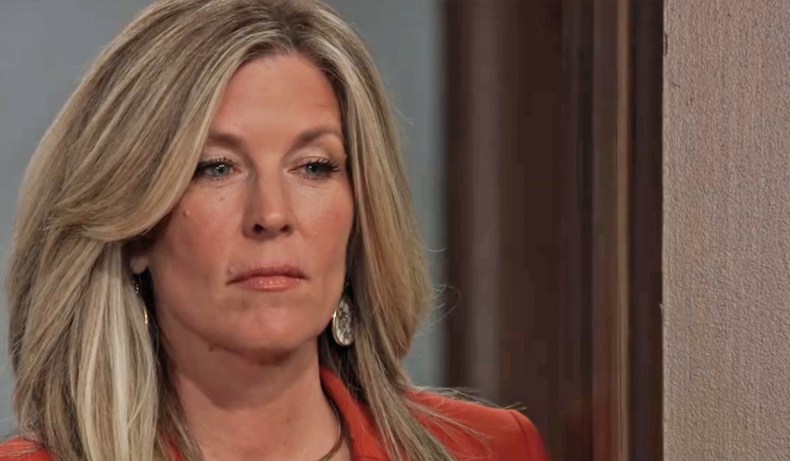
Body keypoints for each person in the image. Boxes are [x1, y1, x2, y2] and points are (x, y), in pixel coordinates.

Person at [1, 1, 549, 460]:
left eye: (314, 167)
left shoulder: (491, 449)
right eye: (217, 167)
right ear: (136, 231)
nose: (271, 214)